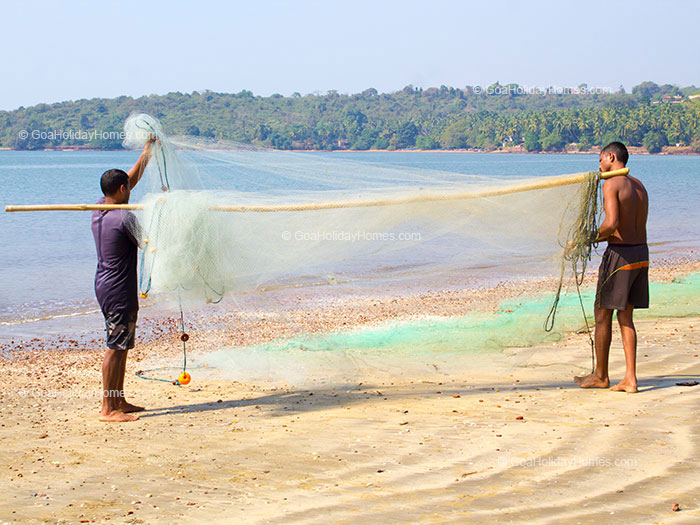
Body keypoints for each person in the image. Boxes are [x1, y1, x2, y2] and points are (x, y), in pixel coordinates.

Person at [574, 142, 649, 393]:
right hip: (641, 253)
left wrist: (587, 238)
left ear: (611, 156)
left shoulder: (611, 184)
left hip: (621, 257)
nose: (599, 165)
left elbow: (612, 223)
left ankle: (601, 375)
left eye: (600, 159)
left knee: (602, 314)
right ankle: (630, 379)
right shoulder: (638, 185)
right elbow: (628, 225)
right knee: (625, 316)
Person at [92, 138, 155, 421]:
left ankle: (119, 401)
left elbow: (127, 180)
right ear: (122, 190)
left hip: (105, 285)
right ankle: (108, 409)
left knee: (123, 343)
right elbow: (150, 243)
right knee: (115, 347)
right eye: (127, 188)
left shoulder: (99, 207)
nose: (130, 189)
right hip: (118, 290)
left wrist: (146, 155)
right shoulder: (124, 219)